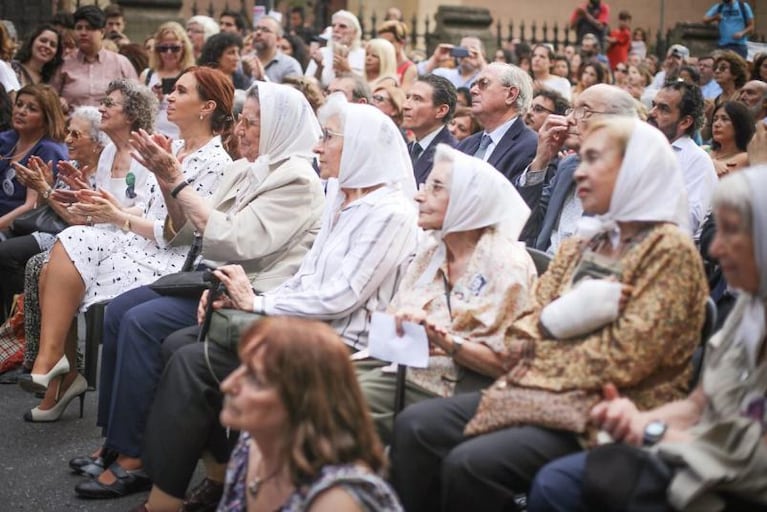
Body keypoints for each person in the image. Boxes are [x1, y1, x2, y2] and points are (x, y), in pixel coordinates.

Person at [391, 117, 709, 512]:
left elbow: (625, 359)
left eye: (595, 159)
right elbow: (524, 329)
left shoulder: (669, 252)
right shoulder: (582, 245)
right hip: (537, 394)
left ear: (634, 171)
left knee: (471, 464)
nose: (580, 171)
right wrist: (563, 319)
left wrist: (546, 344)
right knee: (415, 426)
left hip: (603, 410)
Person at [133, 97, 418, 512]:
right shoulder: (342, 196)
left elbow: (342, 294)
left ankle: (164, 499)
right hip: (308, 330)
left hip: (342, 345)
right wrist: (248, 299)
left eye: (330, 138)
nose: (318, 147)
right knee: (180, 346)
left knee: (193, 360)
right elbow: (305, 279)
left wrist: (258, 304)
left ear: (359, 146)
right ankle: (208, 478)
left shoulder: (389, 211)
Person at [71, 80, 326, 501]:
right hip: (211, 276)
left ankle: (135, 456)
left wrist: (177, 181)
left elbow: (236, 240)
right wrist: (168, 181)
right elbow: (190, 232)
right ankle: (118, 438)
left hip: (249, 289)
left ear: (280, 128)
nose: (240, 129)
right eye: (241, 119)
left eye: (253, 123)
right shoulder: (246, 168)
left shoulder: (296, 179)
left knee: (142, 322)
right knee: (120, 310)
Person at [529, 164, 767, 512]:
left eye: (732, 232)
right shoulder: (749, 307)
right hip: (693, 455)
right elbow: (698, 405)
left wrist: (657, 433)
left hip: (731, 485)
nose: (714, 249)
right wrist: (636, 420)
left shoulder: (669, 253)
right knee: (557, 482)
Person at [18, 75, 231, 418]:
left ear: (207, 108)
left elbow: (181, 234)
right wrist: (107, 206)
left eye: (181, 91)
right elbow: (145, 207)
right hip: (140, 242)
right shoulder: (173, 148)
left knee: (65, 251)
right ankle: (54, 360)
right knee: (64, 247)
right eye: (172, 90)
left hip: (172, 259)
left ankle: (57, 364)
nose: (170, 98)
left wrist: (116, 216)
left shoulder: (216, 162)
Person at [357, 144, 537, 443]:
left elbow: (509, 363)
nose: (419, 195)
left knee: (335, 403)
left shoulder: (506, 265)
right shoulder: (432, 249)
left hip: (449, 388)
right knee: (311, 380)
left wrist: (443, 339)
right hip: (402, 369)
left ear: (469, 201)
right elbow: (394, 318)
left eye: (436, 188)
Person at [215, 317, 403, 511]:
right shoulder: (251, 444)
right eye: (242, 367)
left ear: (302, 401)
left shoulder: (336, 498)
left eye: (256, 380)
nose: (227, 385)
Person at [0, 106, 106, 321]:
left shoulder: (101, 174)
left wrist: (45, 189)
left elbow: (76, 219)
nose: (67, 139)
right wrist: (44, 186)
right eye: (68, 132)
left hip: (69, 237)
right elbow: (44, 209)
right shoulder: (72, 163)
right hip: (47, 229)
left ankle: (28, 316)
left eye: (75, 134)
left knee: (4, 253)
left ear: (97, 144)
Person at [518, 84, 638, 252]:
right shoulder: (567, 165)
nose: (569, 120)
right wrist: (541, 160)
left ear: (617, 122)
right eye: (571, 110)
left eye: (584, 111)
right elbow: (525, 225)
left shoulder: (626, 181)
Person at [647, 81, 717, 235]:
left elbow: (687, 223)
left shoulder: (697, 160)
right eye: (654, 105)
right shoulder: (639, 147)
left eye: (663, 109)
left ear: (685, 122)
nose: (652, 112)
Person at [456, 62, 538, 186]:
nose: (472, 90)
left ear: (511, 95)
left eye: (483, 84)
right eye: (473, 85)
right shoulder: (465, 146)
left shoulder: (531, 146)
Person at [0, 84, 68, 227]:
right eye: (19, 105)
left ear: (46, 118)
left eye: (32, 109)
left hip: (17, 225)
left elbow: (31, 206)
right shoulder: (7, 139)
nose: (21, 112)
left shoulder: (49, 150)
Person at [52, 5, 138, 112]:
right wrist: (59, 102)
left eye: (89, 28)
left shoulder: (121, 63)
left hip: (111, 127)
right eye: (79, 28)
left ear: (102, 32)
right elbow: (51, 98)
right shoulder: (64, 64)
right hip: (72, 126)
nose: (83, 33)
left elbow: (137, 100)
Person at [140, 22, 195, 139]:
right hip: (153, 136)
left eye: (175, 48)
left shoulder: (191, 75)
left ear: (184, 48)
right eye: (163, 48)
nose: (169, 53)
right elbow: (138, 111)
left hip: (181, 137)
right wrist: (154, 100)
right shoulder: (147, 75)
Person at [402, 74, 458, 184]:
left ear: (441, 110)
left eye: (417, 99)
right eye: (407, 97)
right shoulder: (404, 150)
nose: (405, 105)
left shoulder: (452, 154)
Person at [305, 10, 365, 88]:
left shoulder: (363, 55)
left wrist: (347, 70)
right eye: (333, 26)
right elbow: (307, 84)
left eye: (342, 26)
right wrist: (319, 67)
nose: (335, 29)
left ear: (354, 33)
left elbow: (366, 87)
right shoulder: (322, 52)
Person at [245, 16, 302, 84]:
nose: (258, 32)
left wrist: (262, 79)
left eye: (265, 30)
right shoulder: (243, 62)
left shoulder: (289, 65)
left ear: (278, 39)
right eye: (256, 29)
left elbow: (291, 93)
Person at [418, 37, 486, 90]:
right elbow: (417, 77)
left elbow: (495, 85)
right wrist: (435, 59)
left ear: (482, 54)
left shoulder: (483, 76)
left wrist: (481, 63)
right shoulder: (444, 74)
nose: (467, 53)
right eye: (463, 49)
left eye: (473, 49)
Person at [707, 100, 754, 177]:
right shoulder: (704, 150)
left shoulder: (747, 158)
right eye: (715, 119)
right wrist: (712, 163)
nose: (716, 124)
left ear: (739, 125)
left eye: (724, 119)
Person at [11, 24, 64, 89]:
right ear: (31, 42)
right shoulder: (11, 68)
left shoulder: (52, 81)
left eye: (52, 45)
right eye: (43, 41)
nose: (47, 46)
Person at [377, 20, 416, 90]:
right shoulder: (379, 64)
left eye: (390, 42)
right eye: (383, 42)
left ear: (401, 43)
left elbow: (404, 96)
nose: (385, 46)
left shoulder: (409, 68)